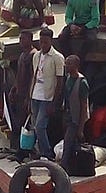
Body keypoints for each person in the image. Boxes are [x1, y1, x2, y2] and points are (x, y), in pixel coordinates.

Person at [30, 28, 64, 159]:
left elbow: (59, 82)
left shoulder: (57, 57)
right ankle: (38, 150)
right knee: (34, 125)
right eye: (41, 42)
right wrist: (29, 95)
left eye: (45, 42)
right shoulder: (36, 56)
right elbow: (34, 76)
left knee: (40, 126)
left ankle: (47, 152)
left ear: (50, 41)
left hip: (47, 96)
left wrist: (54, 103)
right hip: (35, 95)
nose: (42, 45)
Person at [60, 55, 90, 171]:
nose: (66, 66)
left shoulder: (82, 82)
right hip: (67, 115)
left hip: (76, 118)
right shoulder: (68, 78)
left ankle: (63, 166)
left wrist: (81, 128)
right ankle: (72, 166)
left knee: (68, 142)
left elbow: (84, 106)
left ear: (76, 66)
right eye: (66, 63)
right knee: (70, 143)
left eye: (69, 64)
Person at [8, 31, 36, 151]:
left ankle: (26, 150)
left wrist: (28, 98)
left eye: (23, 39)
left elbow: (33, 77)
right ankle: (18, 148)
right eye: (20, 39)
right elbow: (19, 74)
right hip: (19, 93)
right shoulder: (22, 55)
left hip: (27, 95)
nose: (21, 42)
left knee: (26, 123)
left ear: (30, 40)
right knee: (18, 122)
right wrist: (14, 88)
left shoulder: (32, 55)